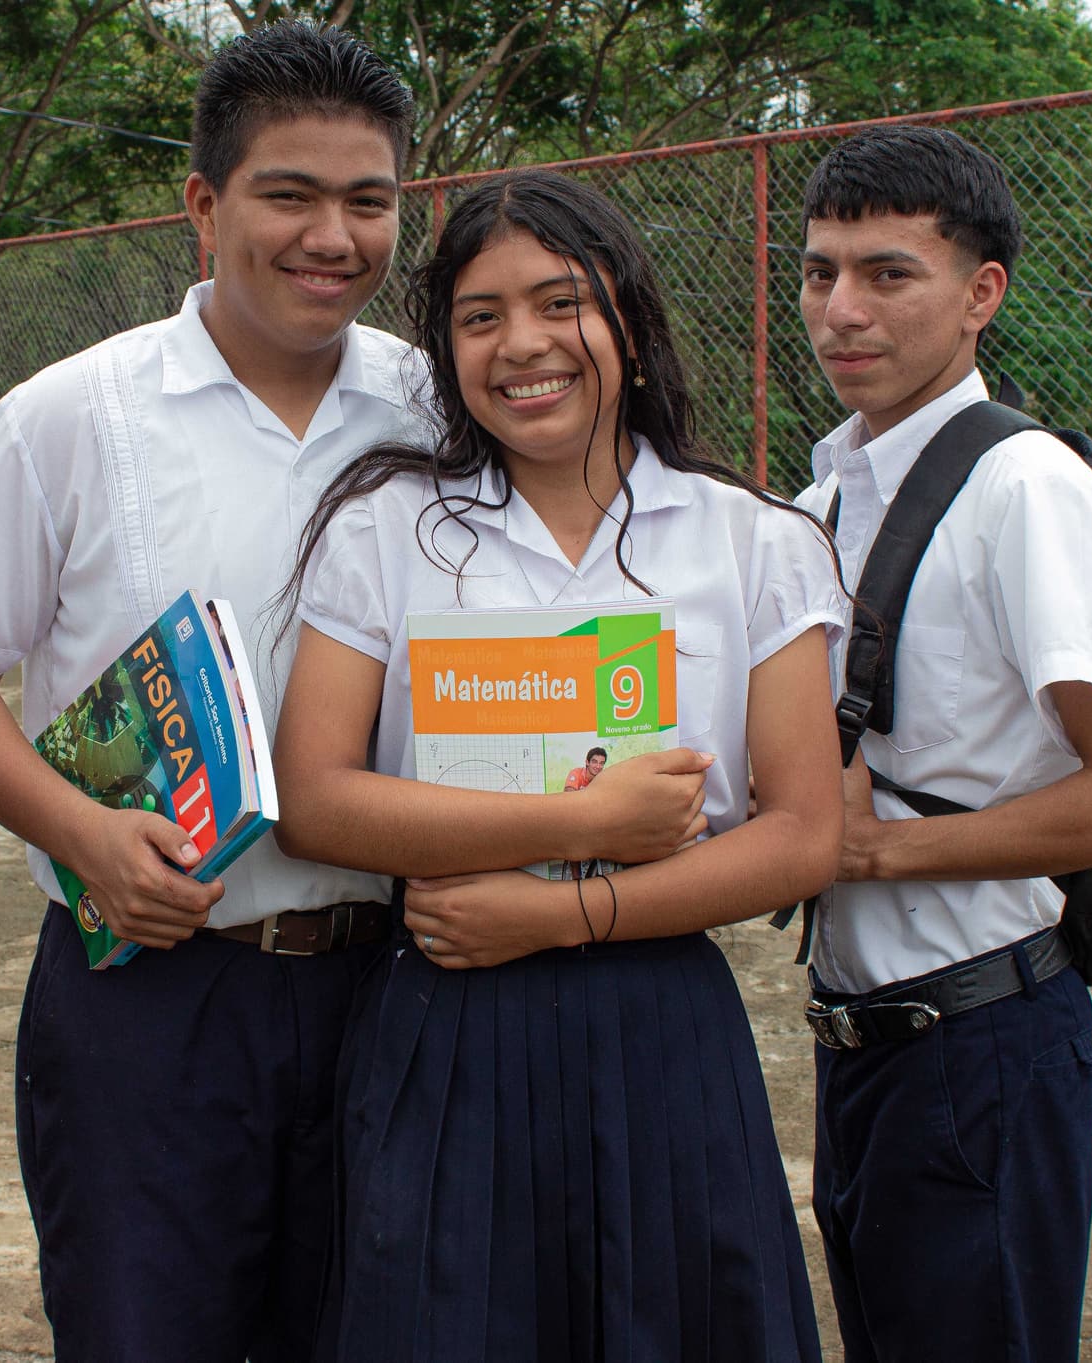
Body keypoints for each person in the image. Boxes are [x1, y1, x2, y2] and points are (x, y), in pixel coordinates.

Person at [0, 22, 431, 1362]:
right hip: (148, 990)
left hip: (392, 985)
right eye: (289, 194)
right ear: (204, 204)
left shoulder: (436, 409)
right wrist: (83, 834)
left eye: (369, 201)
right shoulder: (73, 415)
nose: (333, 235)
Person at [276, 168, 843, 1363]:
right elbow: (314, 801)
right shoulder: (386, 529)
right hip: (445, 1016)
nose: (520, 343)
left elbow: (802, 834)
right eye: (478, 317)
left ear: (627, 322)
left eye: (558, 302)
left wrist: (568, 913)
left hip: (659, 1029)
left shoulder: (756, 540)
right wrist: (576, 818)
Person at [791, 126, 1092, 1362]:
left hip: (982, 1049)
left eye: (886, 274)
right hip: (858, 1041)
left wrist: (868, 853)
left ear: (979, 294)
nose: (841, 310)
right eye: (817, 272)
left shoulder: (1026, 490)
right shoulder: (821, 496)